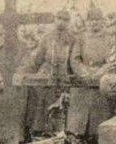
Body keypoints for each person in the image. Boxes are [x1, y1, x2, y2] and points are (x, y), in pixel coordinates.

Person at [20, 8, 76, 136]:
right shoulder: (47, 38)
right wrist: (24, 72)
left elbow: (75, 61)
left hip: (65, 80)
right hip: (47, 79)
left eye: (65, 20)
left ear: (69, 22)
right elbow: (37, 60)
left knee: (62, 111)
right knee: (43, 110)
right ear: (55, 20)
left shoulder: (73, 39)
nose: (61, 22)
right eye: (59, 19)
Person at [66, 5, 114, 143]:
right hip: (83, 83)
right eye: (91, 20)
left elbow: (112, 60)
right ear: (87, 22)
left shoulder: (110, 38)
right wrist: (83, 72)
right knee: (78, 126)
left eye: (97, 20)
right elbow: (75, 58)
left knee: (99, 125)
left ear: (102, 21)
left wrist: (100, 72)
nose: (94, 23)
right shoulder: (81, 38)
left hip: (101, 83)